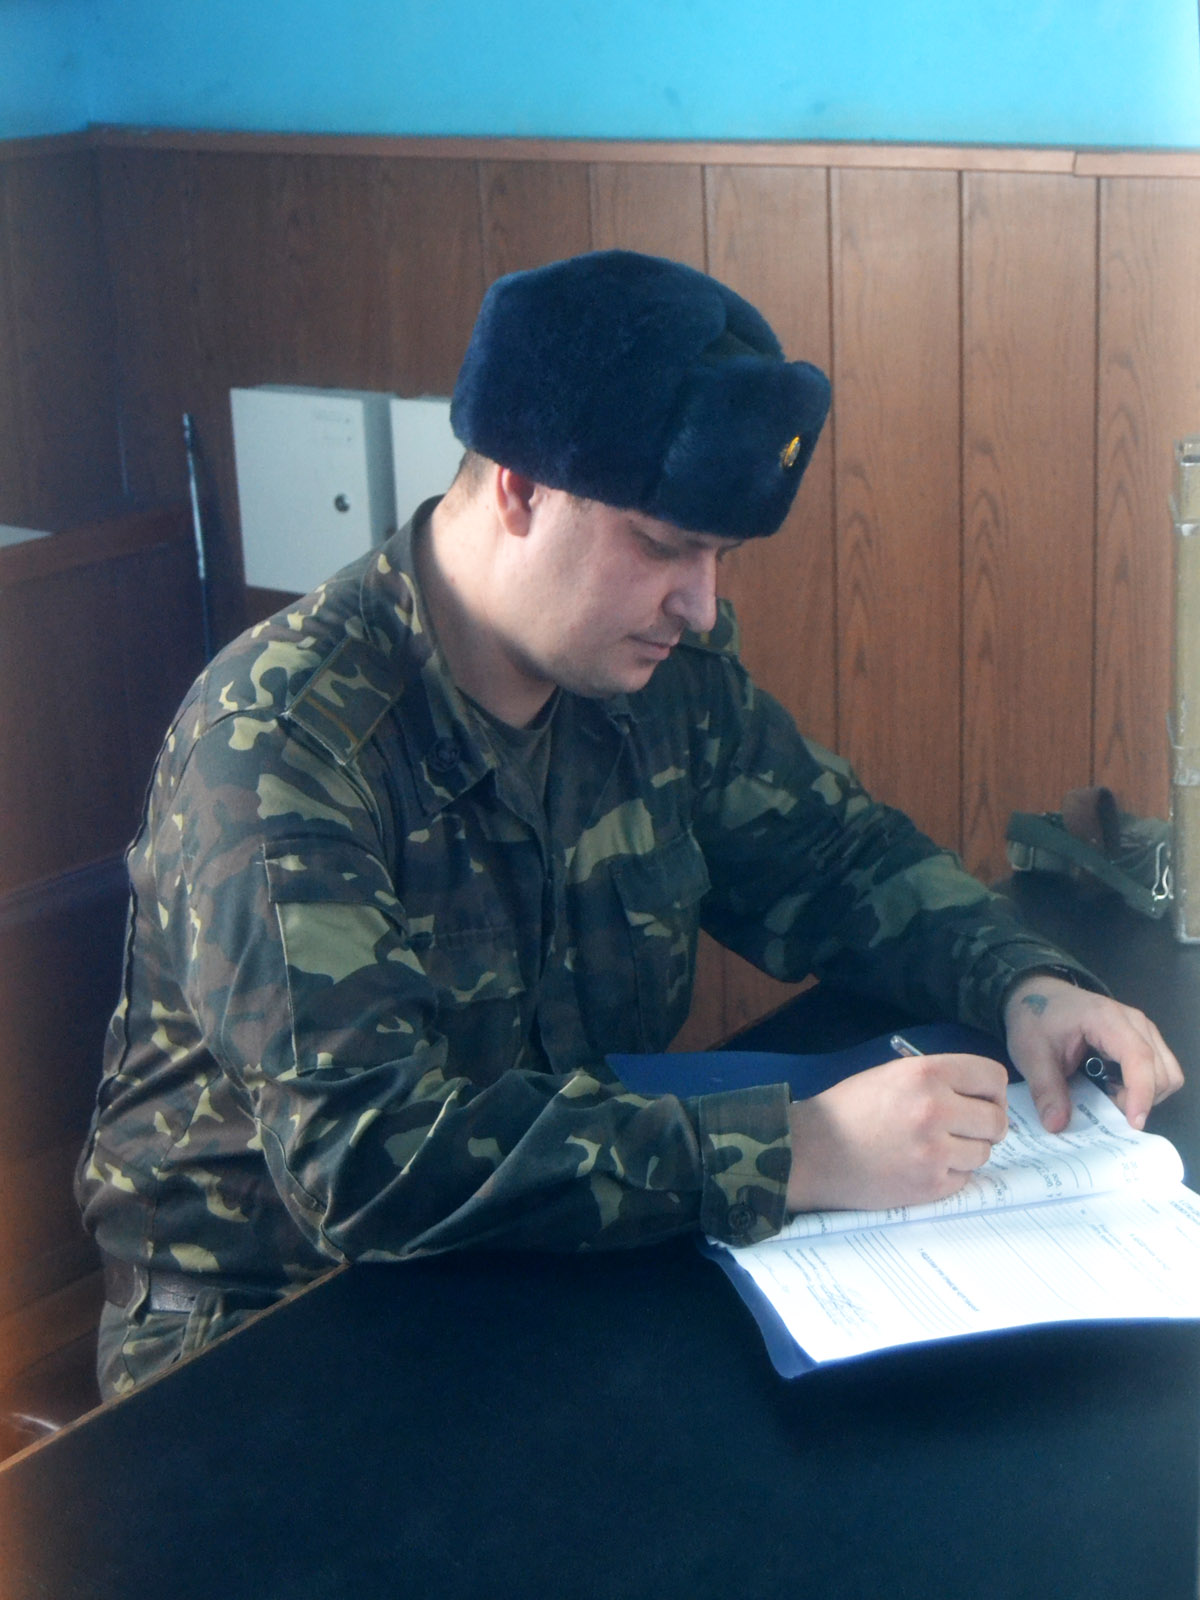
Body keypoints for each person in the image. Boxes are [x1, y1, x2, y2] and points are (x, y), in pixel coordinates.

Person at [77, 249, 1182, 1398]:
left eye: (718, 554)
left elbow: (839, 859)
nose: (699, 603)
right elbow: (364, 1157)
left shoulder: (654, 682)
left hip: (554, 1273)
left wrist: (1024, 980)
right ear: (520, 488)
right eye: (662, 546)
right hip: (268, 1339)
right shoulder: (284, 744)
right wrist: (798, 1149)